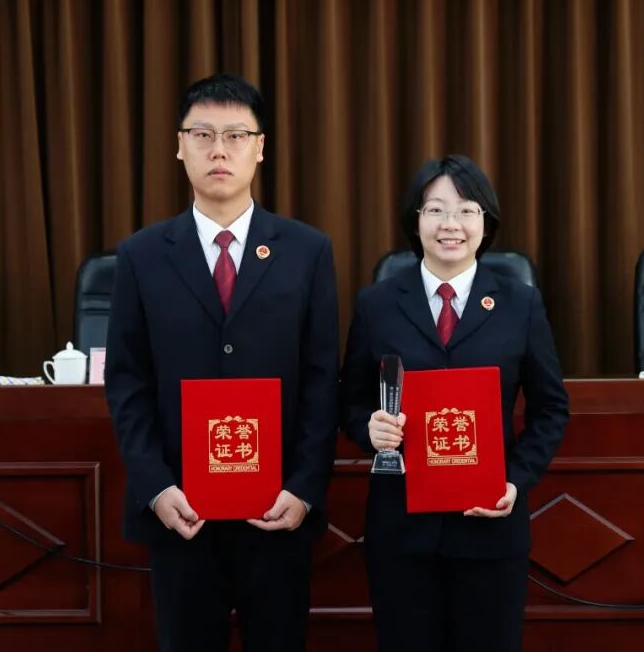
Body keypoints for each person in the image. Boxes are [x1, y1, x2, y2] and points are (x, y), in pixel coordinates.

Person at [105, 73, 340, 652]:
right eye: (203, 134)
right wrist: (156, 487)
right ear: (179, 145)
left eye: (236, 136)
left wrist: (304, 487)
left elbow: (321, 379)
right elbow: (127, 382)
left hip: (277, 509)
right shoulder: (141, 256)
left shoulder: (307, 251)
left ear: (260, 148)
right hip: (182, 510)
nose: (218, 150)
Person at [340, 154, 569, 651]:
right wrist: (368, 429)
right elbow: (350, 399)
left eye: (466, 210)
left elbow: (551, 408)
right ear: (415, 221)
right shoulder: (377, 304)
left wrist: (515, 480)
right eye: (436, 210)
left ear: (485, 222)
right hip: (401, 528)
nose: (451, 224)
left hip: (489, 524)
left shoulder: (520, 303)